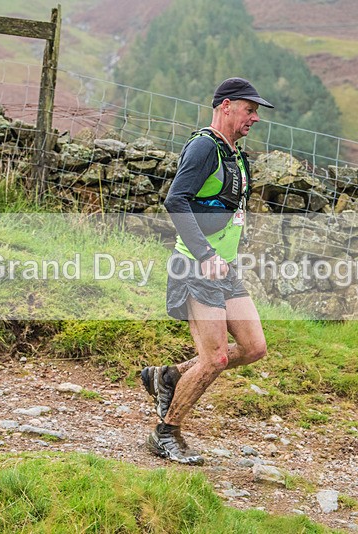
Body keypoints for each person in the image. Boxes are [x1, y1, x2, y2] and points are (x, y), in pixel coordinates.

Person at [141, 77, 273, 465]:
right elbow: (175, 200)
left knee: (254, 348)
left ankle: (168, 377)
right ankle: (166, 433)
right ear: (226, 105)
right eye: (250, 110)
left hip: (225, 270)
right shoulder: (203, 147)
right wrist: (202, 253)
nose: (255, 118)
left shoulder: (233, 152)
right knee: (214, 358)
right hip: (196, 267)